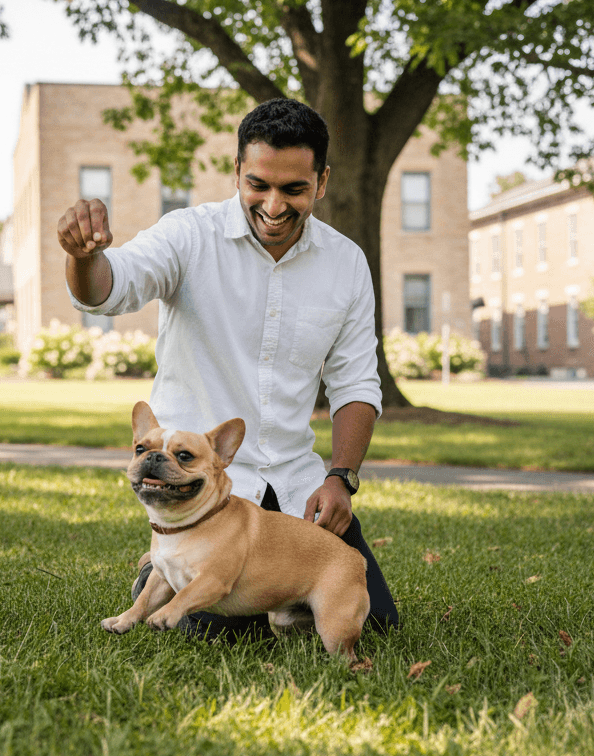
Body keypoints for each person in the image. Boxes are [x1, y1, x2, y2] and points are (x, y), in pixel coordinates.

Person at [58, 98, 399, 633]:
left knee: (373, 621)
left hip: (294, 489)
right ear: (237, 171)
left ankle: (180, 570)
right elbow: (110, 288)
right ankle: (165, 563)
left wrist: (340, 478)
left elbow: (355, 382)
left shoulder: (346, 263)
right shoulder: (188, 236)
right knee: (212, 626)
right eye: (258, 184)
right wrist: (84, 258)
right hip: (199, 487)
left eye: (294, 189)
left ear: (323, 181)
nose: (273, 205)